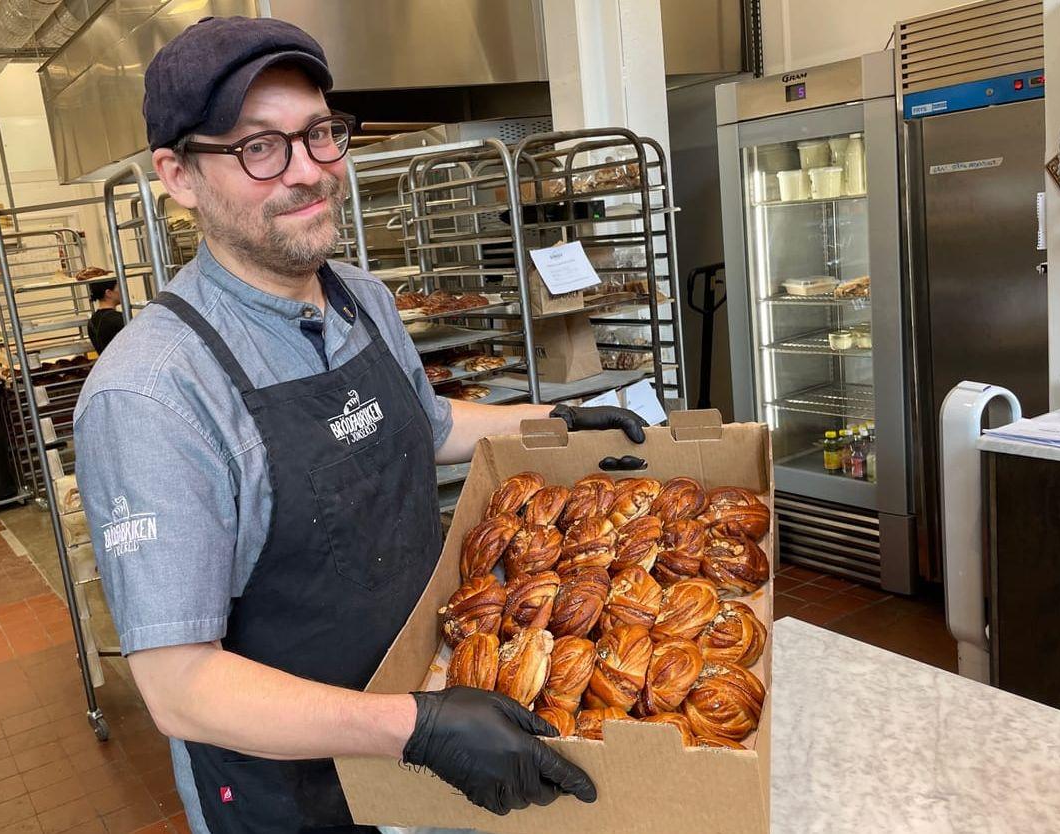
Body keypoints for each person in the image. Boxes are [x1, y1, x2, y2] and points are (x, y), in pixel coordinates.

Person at [73, 16, 650, 833]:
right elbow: (179, 686)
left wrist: (549, 420)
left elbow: (427, 421)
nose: (307, 171)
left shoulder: (359, 296)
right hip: (298, 792)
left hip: (435, 712)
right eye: (258, 148)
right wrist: (413, 727)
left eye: (319, 134)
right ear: (178, 175)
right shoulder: (152, 395)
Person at [86, 279, 125, 354]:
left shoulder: (92, 320)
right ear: (109, 293)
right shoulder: (117, 319)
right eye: (119, 288)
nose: (122, 291)